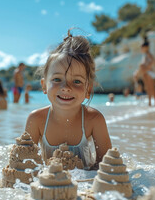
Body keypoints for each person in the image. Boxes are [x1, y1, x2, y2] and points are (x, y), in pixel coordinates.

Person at [25, 29, 112, 170]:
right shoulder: (36, 120)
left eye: (77, 81)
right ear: (44, 86)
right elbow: (24, 165)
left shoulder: (94, 119)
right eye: (57, 79)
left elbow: (107, 166)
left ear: (88, 90)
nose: (65, 87)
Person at [134, 37, 155, 107]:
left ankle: (154, 103)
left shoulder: (148, 54)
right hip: (146, 73)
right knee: (148, 88)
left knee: (151, 88)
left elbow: (153, 61)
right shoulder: (145, 55)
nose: (141, 49)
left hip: (149, 73)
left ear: (146, 47)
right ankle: (150, 103)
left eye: (142, 47)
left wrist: (147, 68)